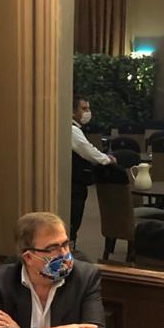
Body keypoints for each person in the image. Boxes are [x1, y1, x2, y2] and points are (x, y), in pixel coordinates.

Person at [0, 212, 105, 328]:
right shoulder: (1, 280)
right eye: (52, 248)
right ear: (29, 257)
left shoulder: (85, 277)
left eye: (65, 244)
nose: (64, 254)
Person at [70, 95, 115, 241]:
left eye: (88, 109)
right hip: (74, 182)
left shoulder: (74, 128)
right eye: (83, 109)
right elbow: (88, 151)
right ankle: (70, 246)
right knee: (74, 216)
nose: (88, 112)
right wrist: (107, 159)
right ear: (72, 111)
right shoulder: (72, 130)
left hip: (74, 180)